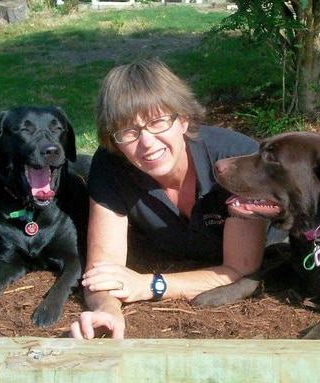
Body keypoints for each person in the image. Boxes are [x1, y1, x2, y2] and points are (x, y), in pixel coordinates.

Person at [69, 58, 287, 339]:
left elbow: (237, 270)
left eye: (157, 122)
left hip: (276, 250)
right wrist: (107, 309)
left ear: (183, 120)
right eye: (129, 131)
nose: (147, 142)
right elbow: (103, 272)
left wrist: (150, 285)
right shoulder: (110, 166)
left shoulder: (234, 161)